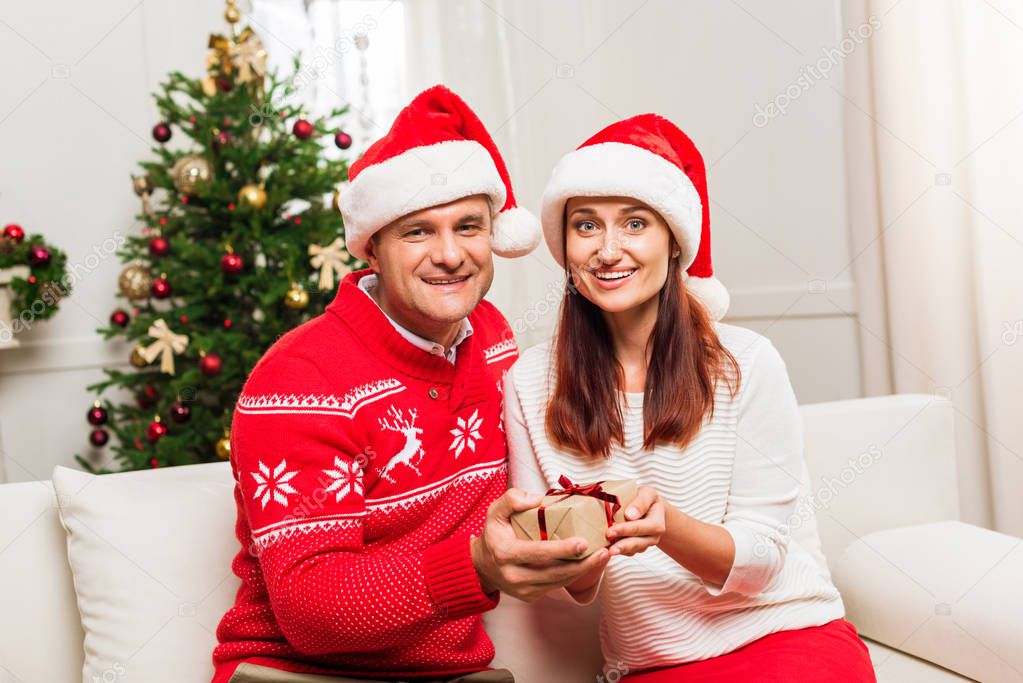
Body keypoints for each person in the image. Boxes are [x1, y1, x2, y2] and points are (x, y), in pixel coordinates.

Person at [211, 85, 605, 683]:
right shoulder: (299, 379)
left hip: (456, 674)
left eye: (468, 226)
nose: (450, 255)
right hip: (295, 674)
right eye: (417, 232)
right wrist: (475, 565)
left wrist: (603, 512)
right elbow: (310, 610)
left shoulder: (494, 340)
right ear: (372, 248)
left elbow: (525, 493)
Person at [504, 114, 877, 682]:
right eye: (586, 226)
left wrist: (666, 527)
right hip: (655, 661)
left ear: (673, 241)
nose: (608, 250)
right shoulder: (529, 382)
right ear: (565, 246)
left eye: (634, 224)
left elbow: (762, 564)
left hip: (785, 634)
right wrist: (565, 548)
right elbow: (568, 589)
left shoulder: (746, 362)